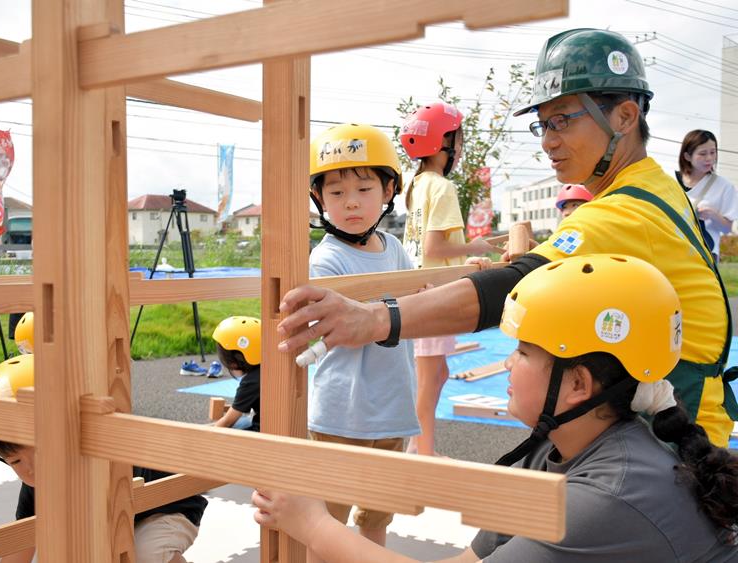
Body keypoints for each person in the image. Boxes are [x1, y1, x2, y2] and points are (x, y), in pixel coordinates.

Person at [275, 28, 737, 448]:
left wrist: (374, 319)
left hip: (676, 432)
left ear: (624, 116)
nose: (547, 141)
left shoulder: (625, 211)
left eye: (562, 120)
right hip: (670, 412)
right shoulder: (651, 185)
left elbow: (516, 287)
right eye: (543, 124)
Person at [254, 254, 738, 562]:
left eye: (524, 352)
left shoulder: (607, 495)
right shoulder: (557, 448)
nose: (508, 361)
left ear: (578, 385)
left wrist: (312, 524)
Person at [0, 354, 207, 563]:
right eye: (15, 462)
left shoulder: (101, 459)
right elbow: (25, 538)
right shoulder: (36, 486)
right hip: (119, 518)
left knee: (143, 554)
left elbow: (109, 527)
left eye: (40, 453)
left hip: (167, 508)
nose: (31, 470)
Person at [307, 123, 420, 547]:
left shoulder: (394, 248)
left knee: (377, 517)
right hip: (342, 410)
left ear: (389, 189)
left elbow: (415, 304)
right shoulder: (326, 260)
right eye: (336, 193)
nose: (351, 202)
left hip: (392, 404)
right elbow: (344, 330)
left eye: (365, 188)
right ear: (319, 198)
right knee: (328, 522)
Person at [400, 101, 500, 456]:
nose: (460, 146)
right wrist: (477, 244)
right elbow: (436, 246)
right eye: (457, 138)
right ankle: (421, 454)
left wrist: (466, 253)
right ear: (443, 142)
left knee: (436, 375)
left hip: (419, 289)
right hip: (433, 296)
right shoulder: (443, 188)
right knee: (428, 382)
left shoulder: (416, 184)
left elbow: (428, 248)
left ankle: (419, 447)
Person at [677, 129, 738, 262]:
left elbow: (728, 228)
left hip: (705, 254)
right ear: (687, 156)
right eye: (702, 154)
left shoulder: (724, 186)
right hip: (674, 248)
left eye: (713, 152)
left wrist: (713, 215)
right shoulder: (672, 182)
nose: (709, 158)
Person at [211, 316, 262, 431]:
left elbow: (228, 421)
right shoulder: (267, 369)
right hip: (278, 428)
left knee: (234, 427)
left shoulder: (251, 381)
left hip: (264, 431)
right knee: (244, 420)